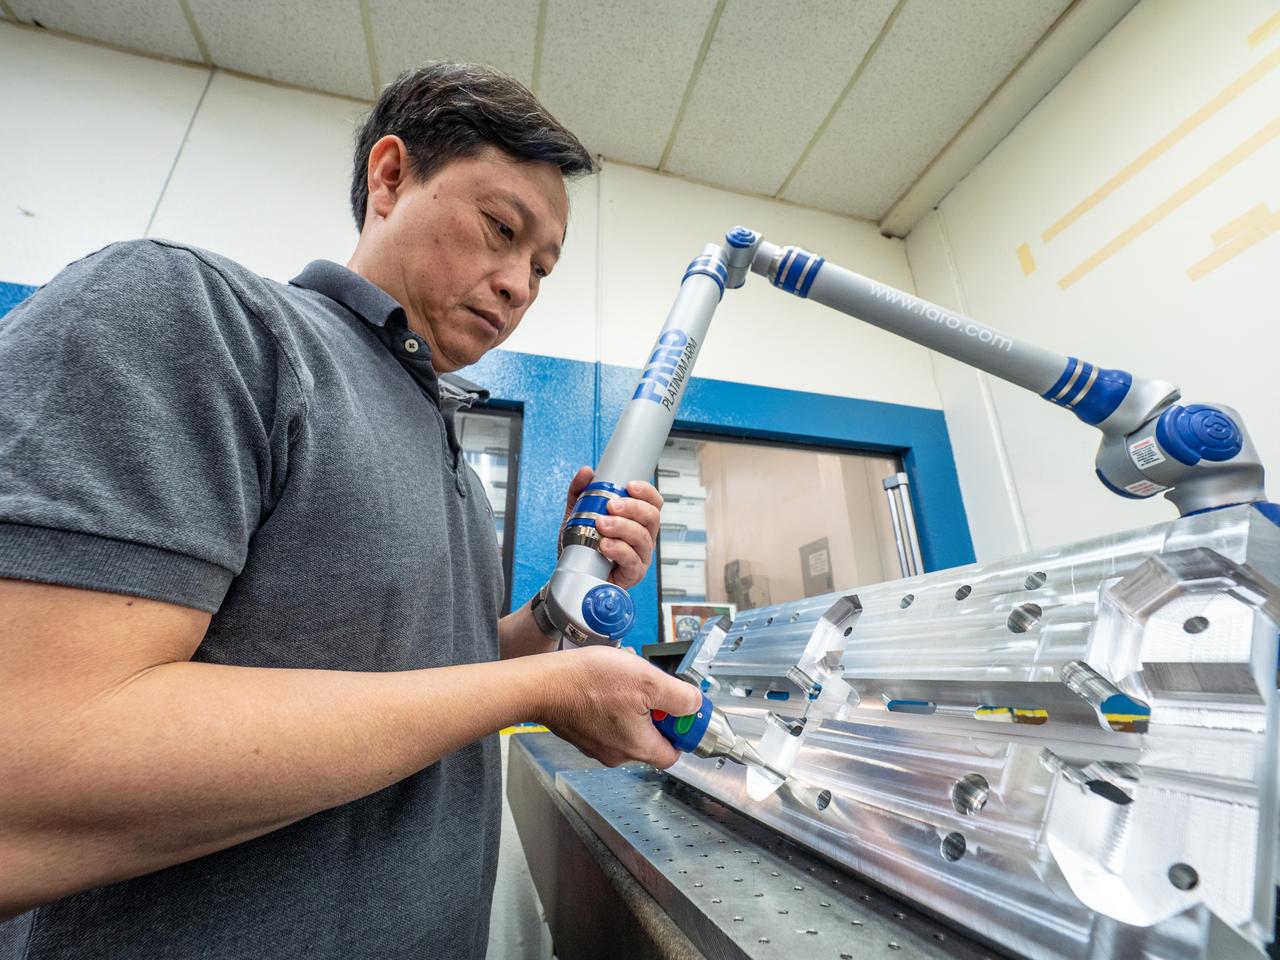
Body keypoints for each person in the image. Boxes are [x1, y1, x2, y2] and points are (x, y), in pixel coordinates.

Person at [0, 62, 702, 959]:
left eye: (541, 267)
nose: (519, 284)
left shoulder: (450, 454)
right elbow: (31, 767)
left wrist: (549, 613)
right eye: (500, 229)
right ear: (390, 177)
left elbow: (436, 670)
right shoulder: (200, 316)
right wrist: (539, 687)